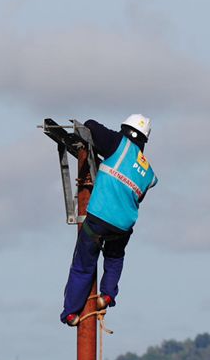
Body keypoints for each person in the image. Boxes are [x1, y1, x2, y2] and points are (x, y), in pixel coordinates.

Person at [61, 114, 156, 326]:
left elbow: (91, 125)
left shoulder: (118, 145)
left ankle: (71, 313)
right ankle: (107, 296)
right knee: (114, 258)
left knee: (83, 264)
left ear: (125, 130)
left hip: (99, 218)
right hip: (123, 226)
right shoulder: (148, 172)